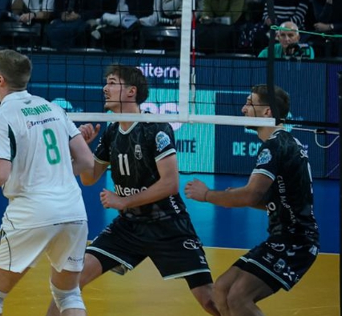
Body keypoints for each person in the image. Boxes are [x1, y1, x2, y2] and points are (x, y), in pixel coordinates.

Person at [56, 65, 217, 316]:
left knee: (210, 300)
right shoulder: (111, 132)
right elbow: (89, 178)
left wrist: (123, 201)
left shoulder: (155, 128)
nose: (104, 88)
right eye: (106, 82)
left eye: (111, 82)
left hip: (168, 226)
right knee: (69, 284)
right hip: (129, 227)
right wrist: (80, 146)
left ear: (131, 91)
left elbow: (170, 183)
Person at [0, 50, 96, 316]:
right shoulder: (53, 107)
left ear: (0, 80)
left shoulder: (2, 117)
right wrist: (54, 173)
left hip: (32, 212)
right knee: (68, 294)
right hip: (74, 212)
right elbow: (86, 162)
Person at [184, 86, 319, 312]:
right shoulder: (284, 142)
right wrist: (230, 197)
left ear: (267, 112)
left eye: (250, 103)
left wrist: (207, 195)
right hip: (282, 237)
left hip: (296, 242)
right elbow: (274, 200)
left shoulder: (275, 145)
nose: (243, 108)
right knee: (222, 289)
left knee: (238, 297)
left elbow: (250, 194)